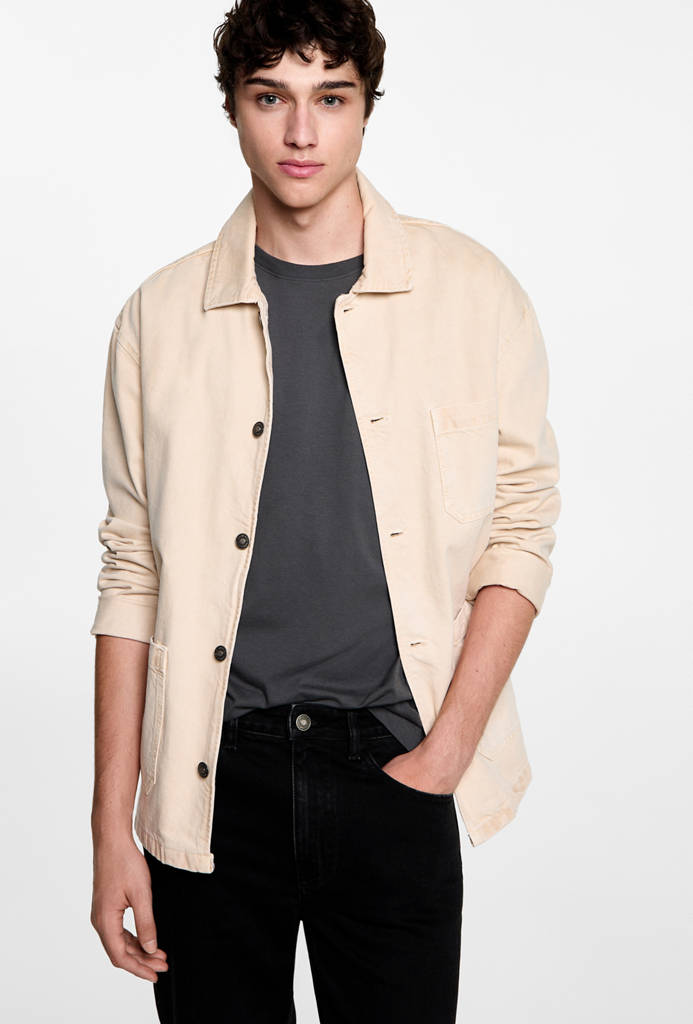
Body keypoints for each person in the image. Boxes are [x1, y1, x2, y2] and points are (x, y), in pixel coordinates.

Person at [89, 2, 561, 1021]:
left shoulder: (472, 294)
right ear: (233, 108)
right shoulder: (158, 320)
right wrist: (109, 829)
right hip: (212, 783)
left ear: (365, 108)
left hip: (392, 762)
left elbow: (520, 530)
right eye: (271, 98)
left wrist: (445, 752)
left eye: (330, 98)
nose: (301, 133)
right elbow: (132, 568)